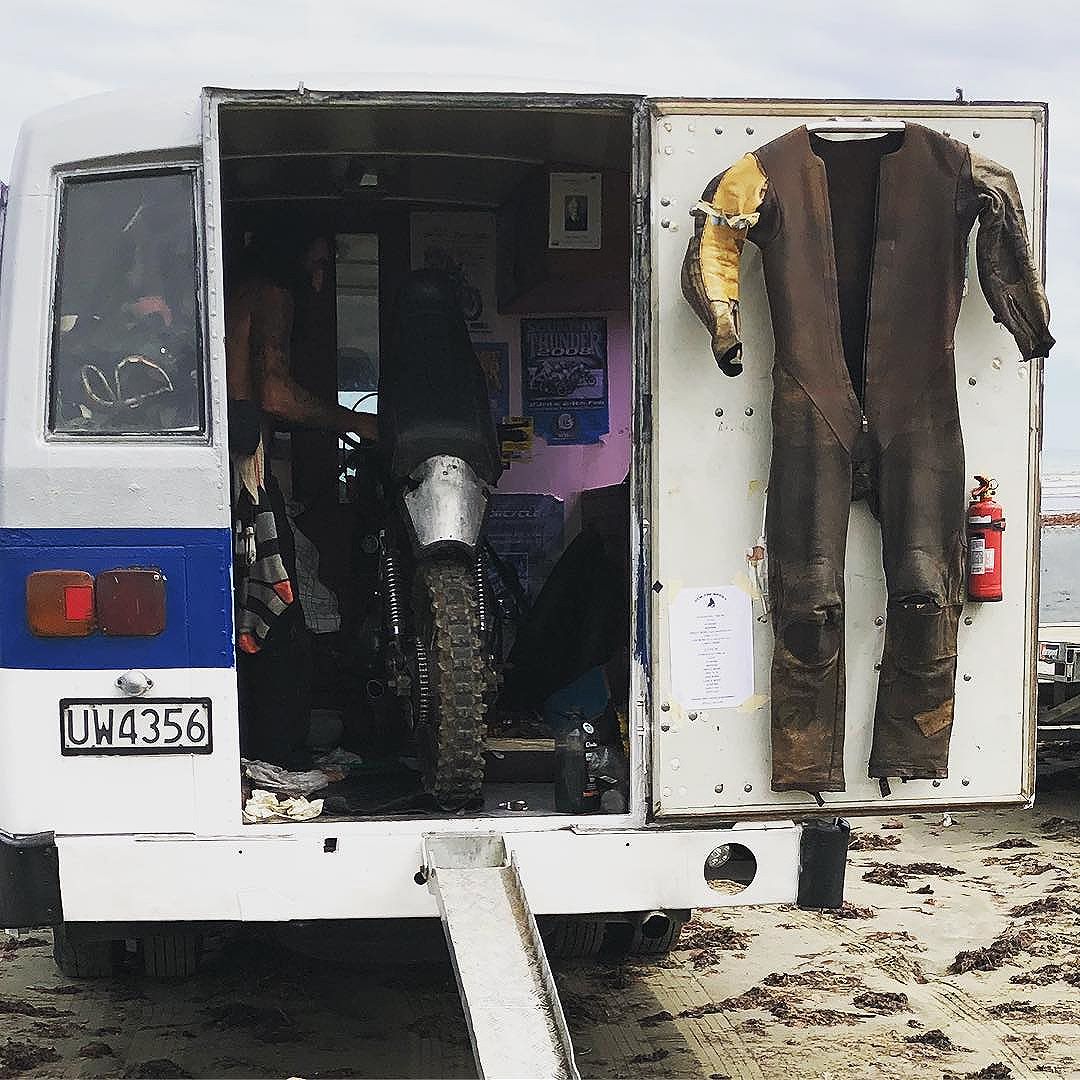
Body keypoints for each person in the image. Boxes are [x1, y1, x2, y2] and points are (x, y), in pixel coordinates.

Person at [225, 228, 376, 765]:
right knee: (282, 614)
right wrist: (361, 421)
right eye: (314, 264)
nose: (319, 280)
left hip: (234, 461)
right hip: (246, 468)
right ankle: (277, 754)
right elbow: (275, 394)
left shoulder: (238, 294)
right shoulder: (272, 296)